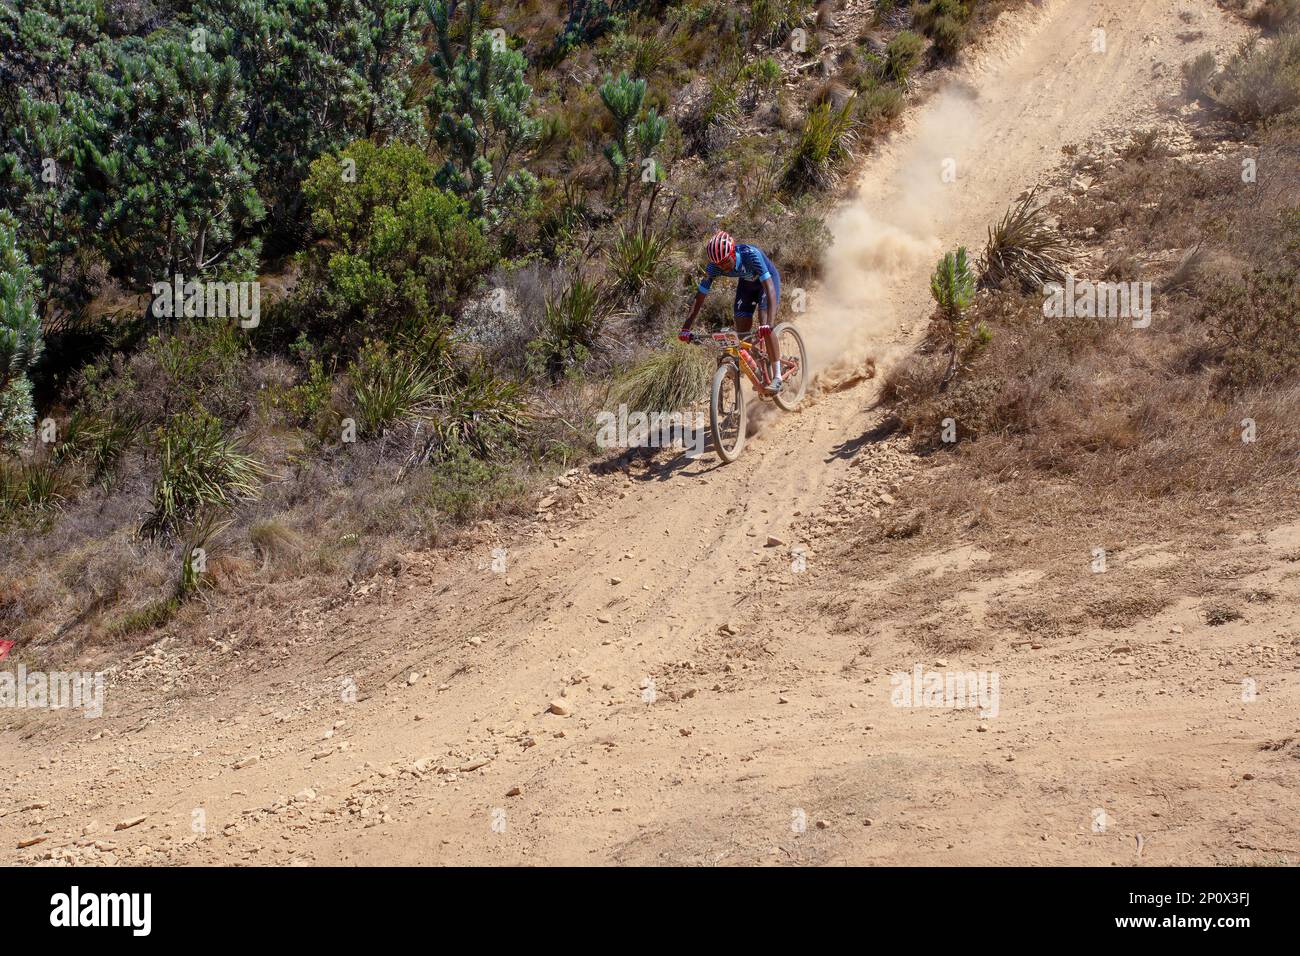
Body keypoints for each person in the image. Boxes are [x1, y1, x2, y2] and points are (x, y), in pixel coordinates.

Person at [679, 230, 783, 394]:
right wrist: (686, 328)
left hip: (767, 283)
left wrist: (769, 324)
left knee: (765, 324)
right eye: (719, 264)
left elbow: (769, 287)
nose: (723, 267)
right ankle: (759, 370)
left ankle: (778, 376)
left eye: (726, 262)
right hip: (747, 285)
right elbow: (699, 297)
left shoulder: (751, 254)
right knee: (742, 331)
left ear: (733, 251)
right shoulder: (714, 267)